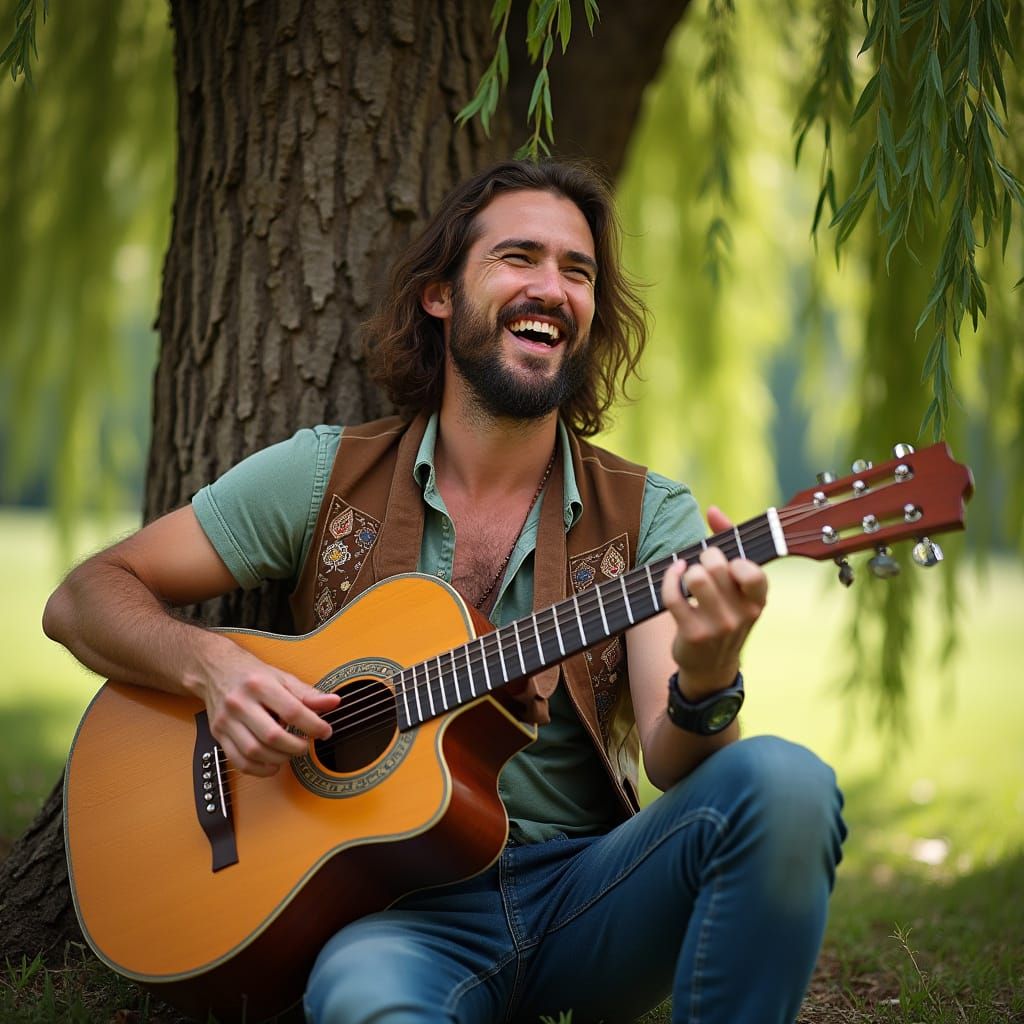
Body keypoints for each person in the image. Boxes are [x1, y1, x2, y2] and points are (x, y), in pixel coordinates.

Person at [44, 159, 845, 1024]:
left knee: (786, 781)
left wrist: (708, 676)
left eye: (577, 272)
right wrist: (210, 667)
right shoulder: (328, 475)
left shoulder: (650, 517)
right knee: (366, 1004)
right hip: (391, 921)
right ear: (440, 295)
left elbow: (670, 755)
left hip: (588, 890)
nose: (552, 288)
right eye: (519, 258)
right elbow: (85, 596)